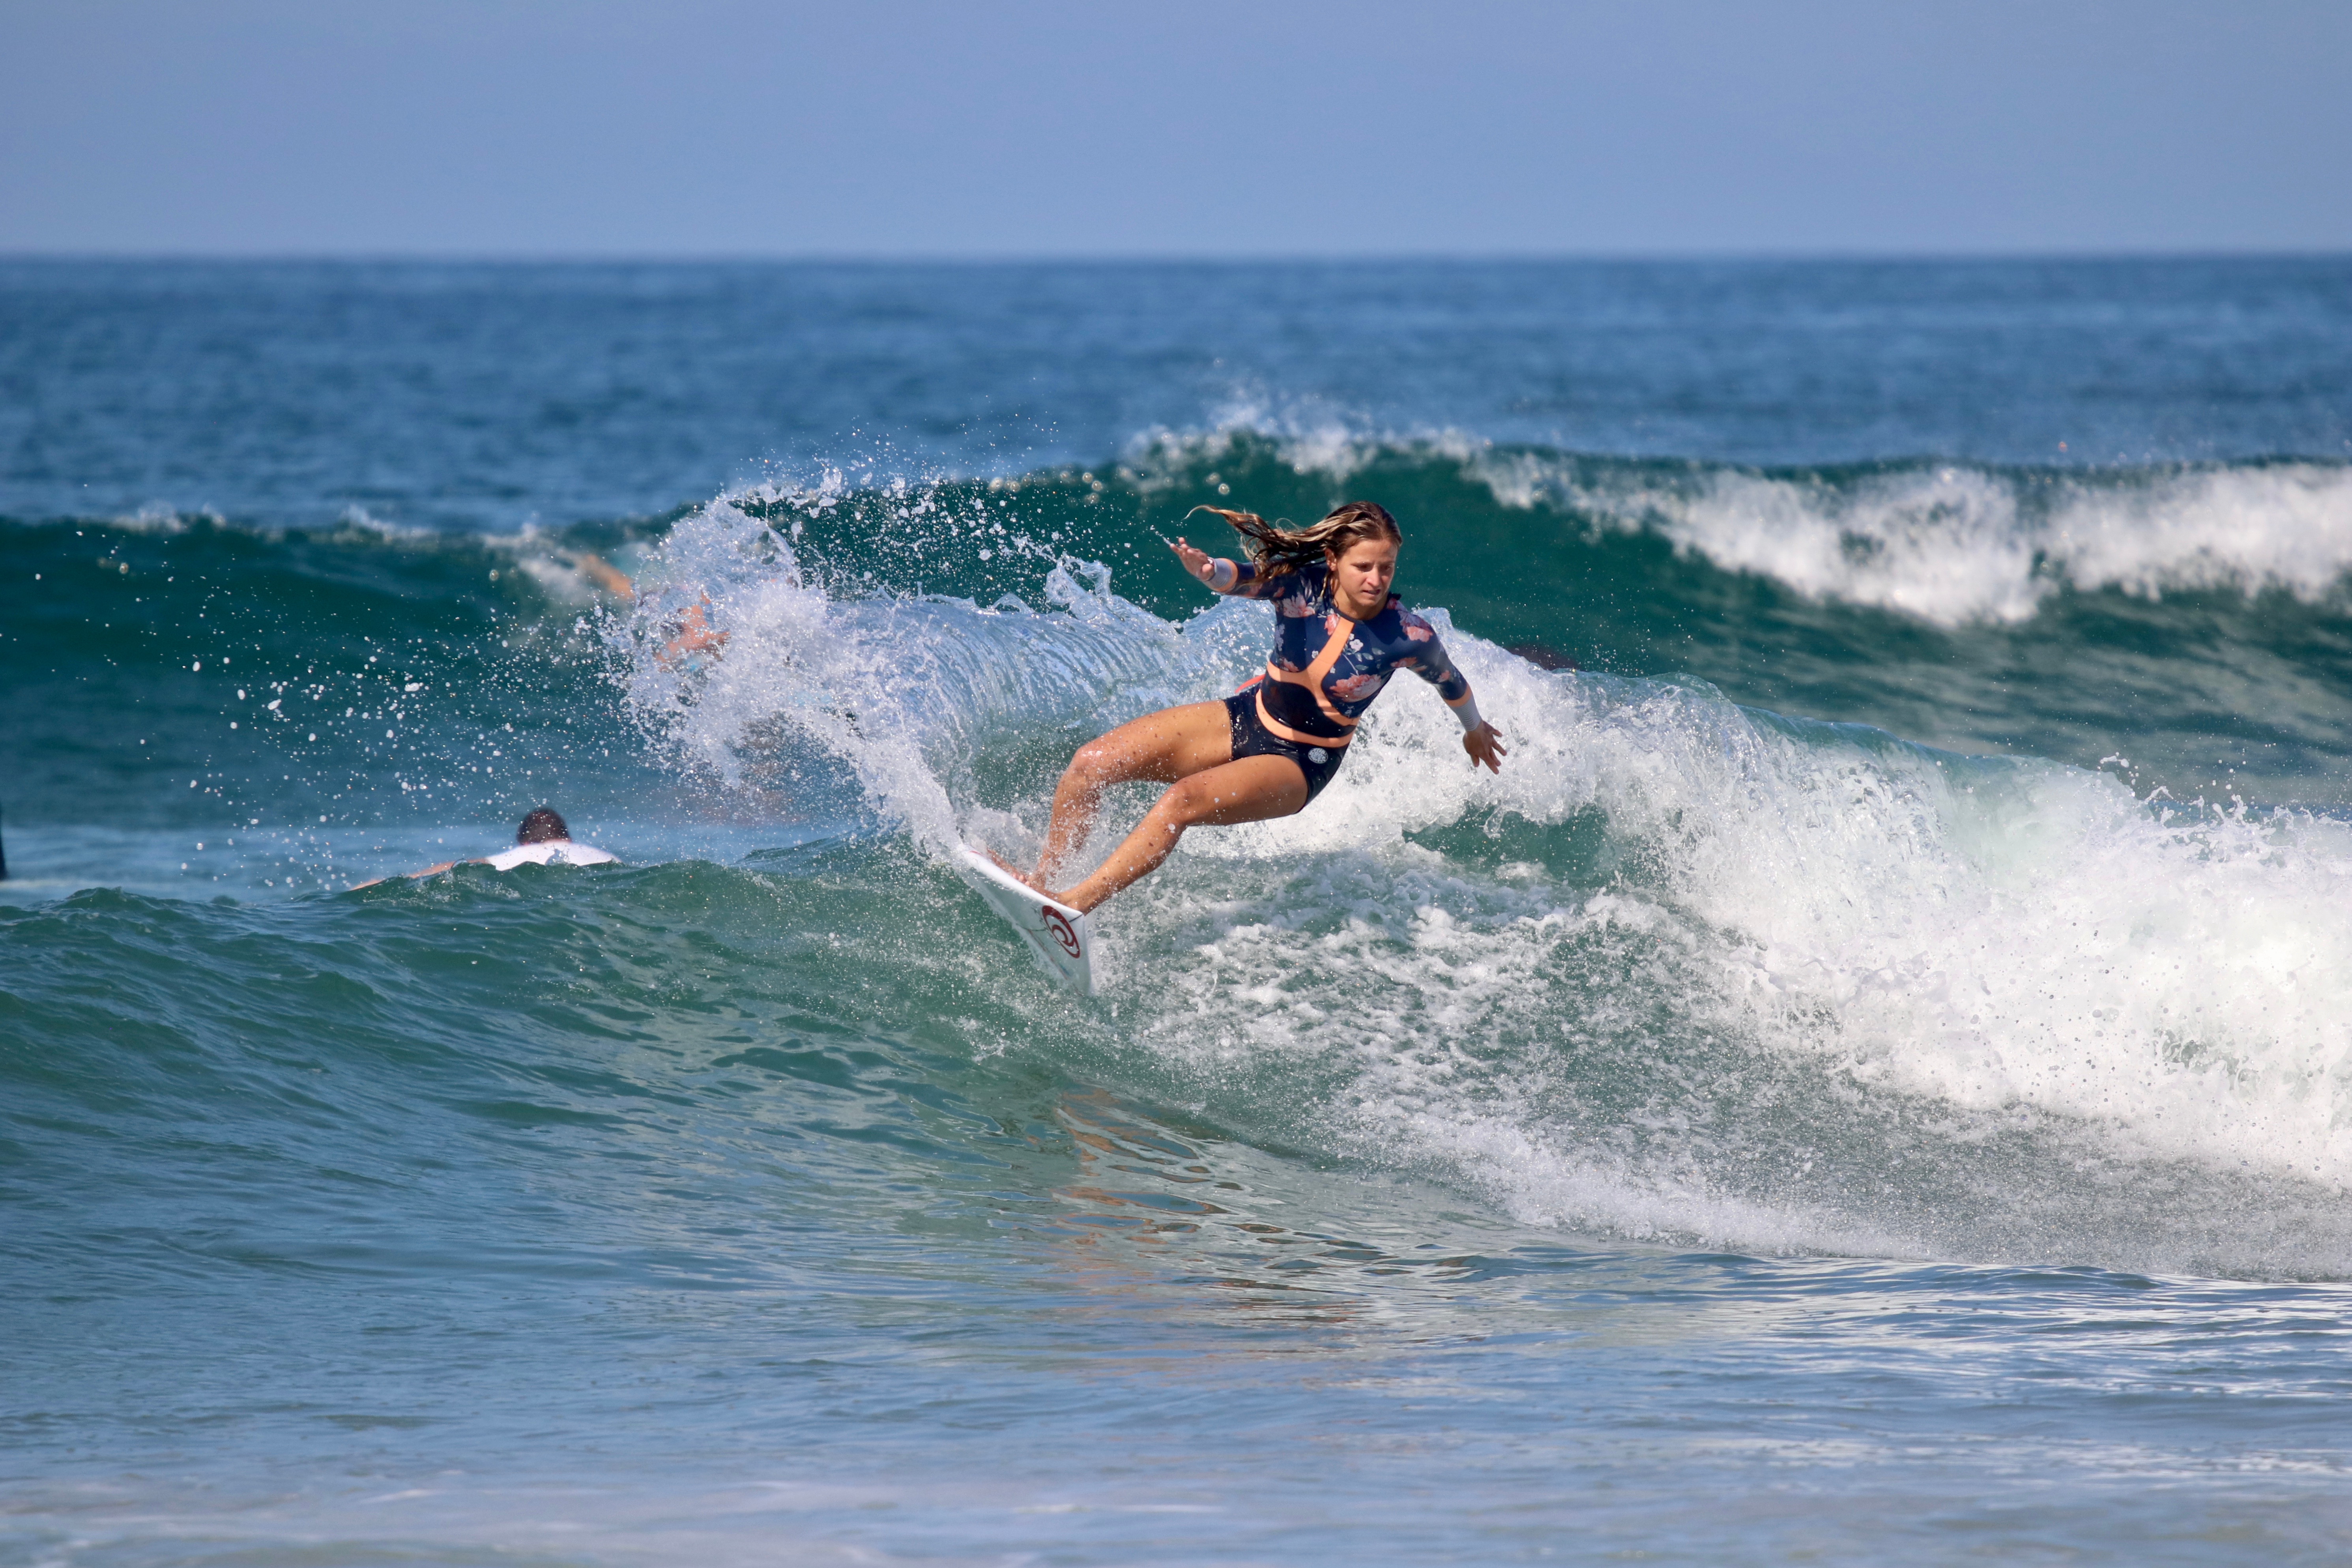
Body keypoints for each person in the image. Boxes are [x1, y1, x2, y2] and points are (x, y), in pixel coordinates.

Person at [993, 500, 1506, 914]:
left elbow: (1451, 683)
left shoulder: (1407, 635)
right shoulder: (1300, 585)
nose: (1375, 578)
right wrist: (1208, 570)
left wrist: (1474, 729)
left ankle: (1070, 907)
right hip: (1248, 715)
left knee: (1180, 802)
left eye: (1386, 567)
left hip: (1302, 761)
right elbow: (1241, 579)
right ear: (1333, 559)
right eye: (1363, 566)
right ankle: (1043, 882)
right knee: (1091, 764)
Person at [351, 807, 617, 888]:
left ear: (524, 841)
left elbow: (468, 866)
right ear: (566, 838)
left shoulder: (526, 853)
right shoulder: (606, 855)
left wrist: (389, 882)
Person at [574, 550, 726, 665]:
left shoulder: (717, 631)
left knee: (631, 589)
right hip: (669, 601)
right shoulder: (705, 636)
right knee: (627, 591)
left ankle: (592, 565)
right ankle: (591, 565)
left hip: (686, 595)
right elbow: (671, 651)